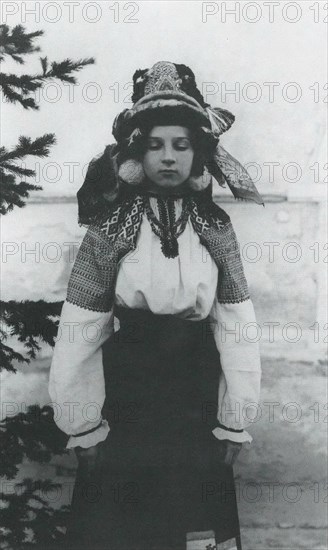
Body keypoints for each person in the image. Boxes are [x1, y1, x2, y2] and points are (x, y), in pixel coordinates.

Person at [49, 61, 263, 550]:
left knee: (192, 513)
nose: (168, 157)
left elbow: (236, 322)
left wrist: (234, 419)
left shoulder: (215, 228)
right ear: (135, 152)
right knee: (124, 515)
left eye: (181, 145)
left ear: (198, 153)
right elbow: (82, 326)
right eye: (155, 145)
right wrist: (83, 425)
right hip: (129, 393)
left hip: (194, 395)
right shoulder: (110, 229)